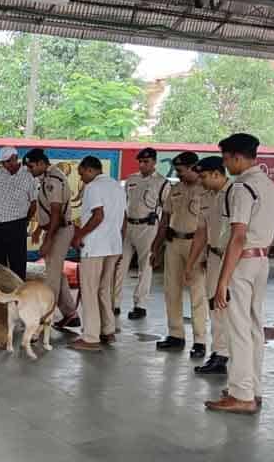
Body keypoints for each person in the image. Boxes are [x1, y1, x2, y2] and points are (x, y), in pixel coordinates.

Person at [206, 133, 274, 414]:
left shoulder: (241, 188)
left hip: (243, 261)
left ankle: (241, 394)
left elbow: (237, 236)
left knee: (238, 329)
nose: (226, 165)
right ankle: (252, 388)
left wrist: (223, 280)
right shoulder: (268, 184)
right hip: (262, 260)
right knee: (253, 327)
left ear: (236, 157)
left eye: (225, 159)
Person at [152, 151, 208, 359]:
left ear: (194, 167)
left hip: (197, 244)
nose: (179, 174)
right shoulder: (175, 189)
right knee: (171, 290)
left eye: (182, 170)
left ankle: (200, 340)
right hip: (174, 243)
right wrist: (156, 248)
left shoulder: (206, 191)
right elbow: (165, 219)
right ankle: (176, 334)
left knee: (197, 294)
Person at [69, 156, 125, 351]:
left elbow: (98, 215)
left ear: (89, 169)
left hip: (94, 246)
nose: (82, 178)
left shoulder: (93, 187)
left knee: (89, 290)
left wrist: (79, 236)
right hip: (113, 245)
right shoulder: (117, 186)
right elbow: (122, 217)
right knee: (104, 289)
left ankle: (91, 337)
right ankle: (108, 330)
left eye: (82, 173)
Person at [184, 157, 232, 375]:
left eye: (203, 177)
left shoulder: (234, 193)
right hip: (213, 256)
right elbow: (202, 231)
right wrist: (191, 262)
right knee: (214, 307)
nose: (200, 181)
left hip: (231, 259)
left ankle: (225, 354)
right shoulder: (206, 195)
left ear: (216, 174)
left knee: (228, 309)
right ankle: (219, 353)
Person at [113, 148, 170, 321]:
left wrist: (160, 239)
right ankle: (114, 303)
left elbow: (167, 211)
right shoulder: (132, 179)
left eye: (146, 161)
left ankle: (140, 305)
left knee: (145, 267)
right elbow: (124, 205)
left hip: (148, 226)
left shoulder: (162, 183)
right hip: (129, 225)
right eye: (140, 161)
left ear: (154, 162)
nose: (143, 164)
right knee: (119, 264)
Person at [24, 148, 78, 321]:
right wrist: (40, 229)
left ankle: (43, 320)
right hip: (54, 229)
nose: (29, 170)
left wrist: (48, 240)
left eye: (31, 166)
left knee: (52, 278)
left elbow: (56, 213)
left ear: (41, 163)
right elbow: (46, 209)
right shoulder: (46, 177)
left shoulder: (53, 180)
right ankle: (70, 313)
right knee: (56, 273)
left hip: (59, 231)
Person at [0, 146, 37, 280]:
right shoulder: (0, 174)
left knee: (17, 263)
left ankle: (18, 295)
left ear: (15, 158)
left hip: (17, 225)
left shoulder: (28, 176)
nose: (5, 165)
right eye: (4, 162)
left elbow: (34, 203)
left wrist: (25, 221)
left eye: (8, 161)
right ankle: (2, 294)